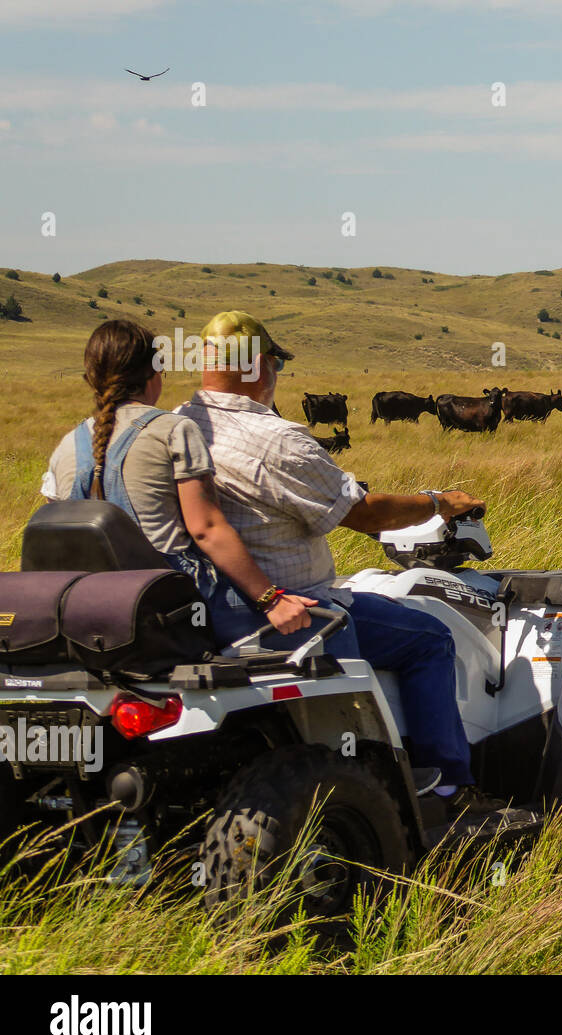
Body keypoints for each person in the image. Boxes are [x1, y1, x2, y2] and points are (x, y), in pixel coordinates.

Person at [176, 311, 494, 813]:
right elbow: (363, 515)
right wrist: (439, 502)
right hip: (292, 606)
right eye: (277, 362)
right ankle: (447, 783)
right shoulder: (277, 440)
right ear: (261, 365)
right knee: (430, 638)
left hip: (204, 609)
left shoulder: (173, 426)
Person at [41, 319, 316, 641]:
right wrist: (271, 599)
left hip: (91, 610)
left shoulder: (67, 445)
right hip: (170, 603)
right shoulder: (174, 429)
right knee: (330, 623)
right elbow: (207, 529)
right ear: (155, 373)